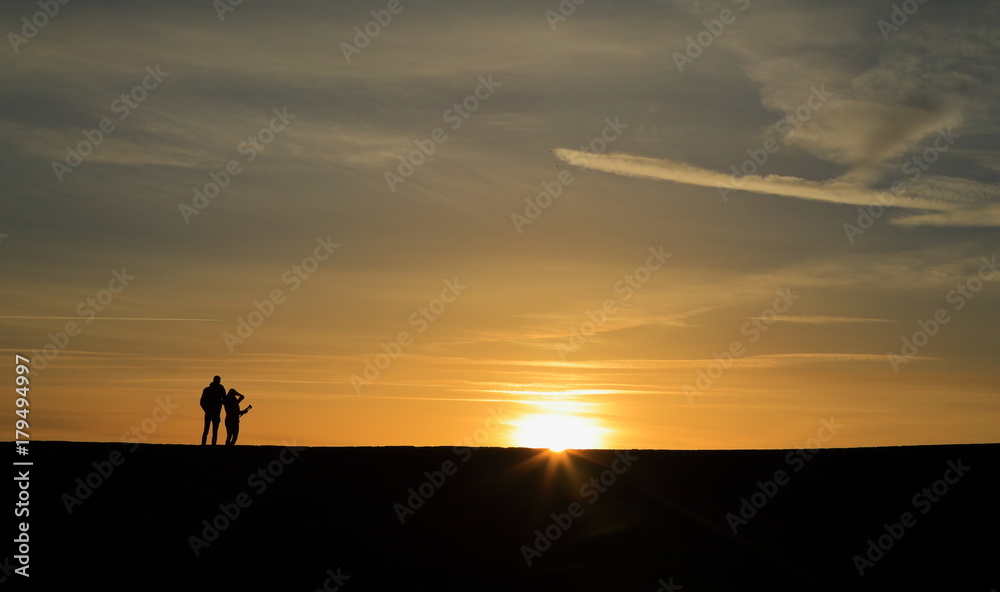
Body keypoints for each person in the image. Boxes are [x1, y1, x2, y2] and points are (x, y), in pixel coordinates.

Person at [200, 376, 226, 445]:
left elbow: (224, 400)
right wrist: (206, 410)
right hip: (212, 412)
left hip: (213, 412)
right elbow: (202, 402)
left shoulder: (219, 389)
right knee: (209, 430)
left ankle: (208, 445)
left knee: (210, 430)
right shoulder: (210, 390)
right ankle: (207, 445)